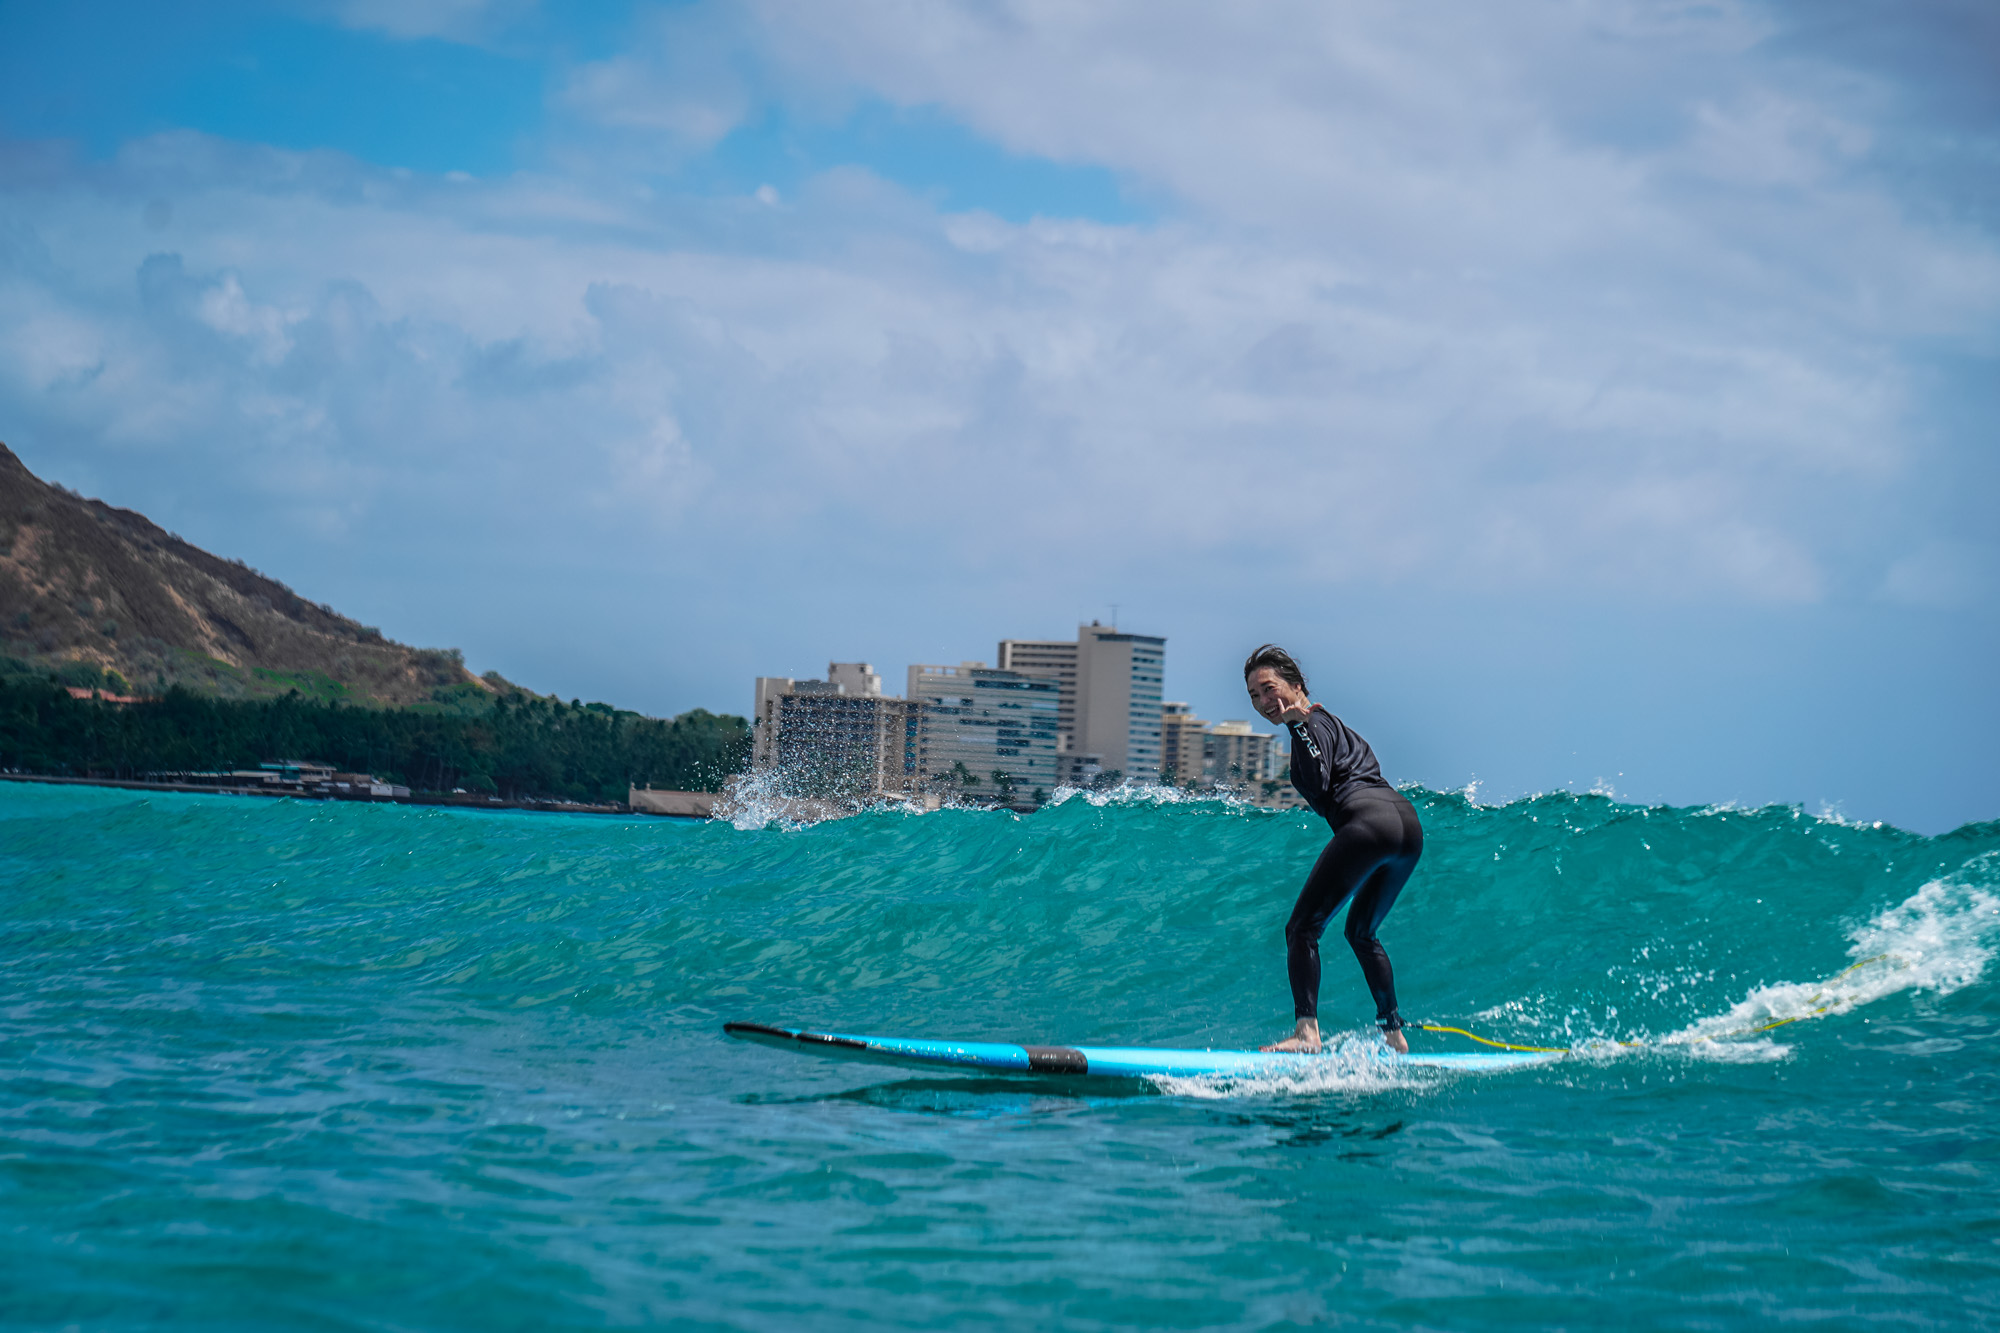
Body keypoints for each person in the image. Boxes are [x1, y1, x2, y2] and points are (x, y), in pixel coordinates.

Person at [1245, 644, 1422, 1054]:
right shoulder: (1335, 725)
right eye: (1254, 695)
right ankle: (1393, 1032)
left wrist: (1297, 728)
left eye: (1269, 688)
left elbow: (1319, 780)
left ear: (1296, 685)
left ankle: (1307, 1032)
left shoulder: (1310, 724)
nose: (1263, 701)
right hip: (1406, 826)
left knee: (1301, 929)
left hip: (1368, 824)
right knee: (1361, 932)